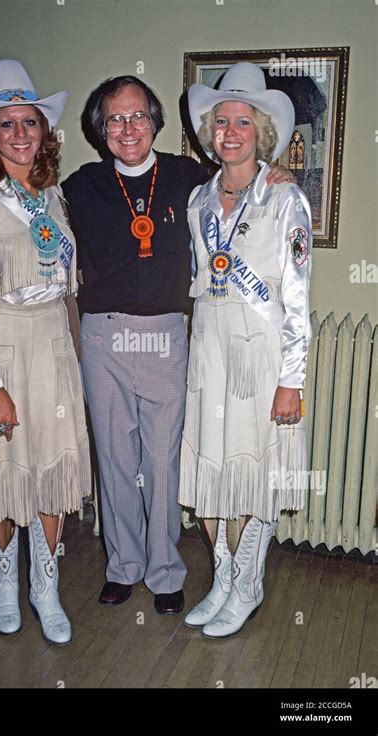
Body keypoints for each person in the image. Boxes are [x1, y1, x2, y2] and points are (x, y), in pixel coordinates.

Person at [62, 75, 292, 615]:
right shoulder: (79, 184)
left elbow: (240, 183)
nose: (127, 128)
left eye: (138, 115)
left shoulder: (190, 176)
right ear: (100, 130)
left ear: (156, 122)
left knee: (162, 461)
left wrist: (276, 175)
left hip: (166, 334)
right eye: (115, 119)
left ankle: (165, 570)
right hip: (104, 334)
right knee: (115, 458)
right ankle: (123, 565)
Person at [0, 59, 90, 645]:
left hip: (51, 346)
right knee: (2, 478)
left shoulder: (51, 196)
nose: (21, 135)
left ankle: (45, 588)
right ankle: (6, 583)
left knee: (51, 475)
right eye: (7, 126)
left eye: (28, 122)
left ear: (42, 130)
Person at [179, 62, 312, 638]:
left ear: (261, 130)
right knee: (211, 475)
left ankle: (248, 586)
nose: (229, 132)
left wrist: (293, 379)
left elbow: (300, 301)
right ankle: (225, 578)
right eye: (221, 121)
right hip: (209, 350)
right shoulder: (198, 201)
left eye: (242, 122)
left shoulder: (286, 202)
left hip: (260, 358)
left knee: (253, 475)